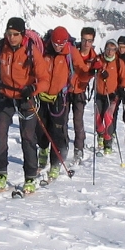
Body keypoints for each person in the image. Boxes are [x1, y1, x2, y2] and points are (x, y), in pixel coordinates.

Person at [0, 17, 46, 192]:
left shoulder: (31, 51)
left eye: (15, 34)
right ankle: (0, 173)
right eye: (8, 34)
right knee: (0, 132)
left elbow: (44, 79)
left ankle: (30, 177)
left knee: (27, 136)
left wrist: (32, 89)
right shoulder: (0, 47)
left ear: (22, 34)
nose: (11, 37)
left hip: (25, 98)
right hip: (5, 95)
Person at [34, 26, 75, 181]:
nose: (58, 46)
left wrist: (94, 69)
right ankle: (43, 151)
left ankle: (55, 164)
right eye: (56, 43)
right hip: (42, 96)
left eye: (61, 43)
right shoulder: (43, 50)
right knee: (41, 129)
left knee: (57, 132)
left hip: (59, 97)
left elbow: (82, 68)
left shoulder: (70, 52)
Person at [66, 27, 101, 163]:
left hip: (80, 91)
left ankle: (78, 149)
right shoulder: (71, 51)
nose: (86, 43)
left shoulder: (94, 58)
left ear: (93, 41)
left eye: (89, 40)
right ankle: (62, 147)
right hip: (66, 89)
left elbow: (91, 75)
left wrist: (96, 71)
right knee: (62, 121)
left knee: (78, 121)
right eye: (84, 40)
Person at [94, 40, 125, 155]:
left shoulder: (119, 62)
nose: (110, 52)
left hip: (112, 95)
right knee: (98, 120)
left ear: (116, 51)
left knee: (108, 117)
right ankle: (101, 134)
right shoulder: (99, 59)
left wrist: (121, 88)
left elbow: (124, 77)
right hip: (99, 94)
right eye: (108, 49)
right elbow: (91, 68)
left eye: (113, 49)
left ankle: (108, 143)